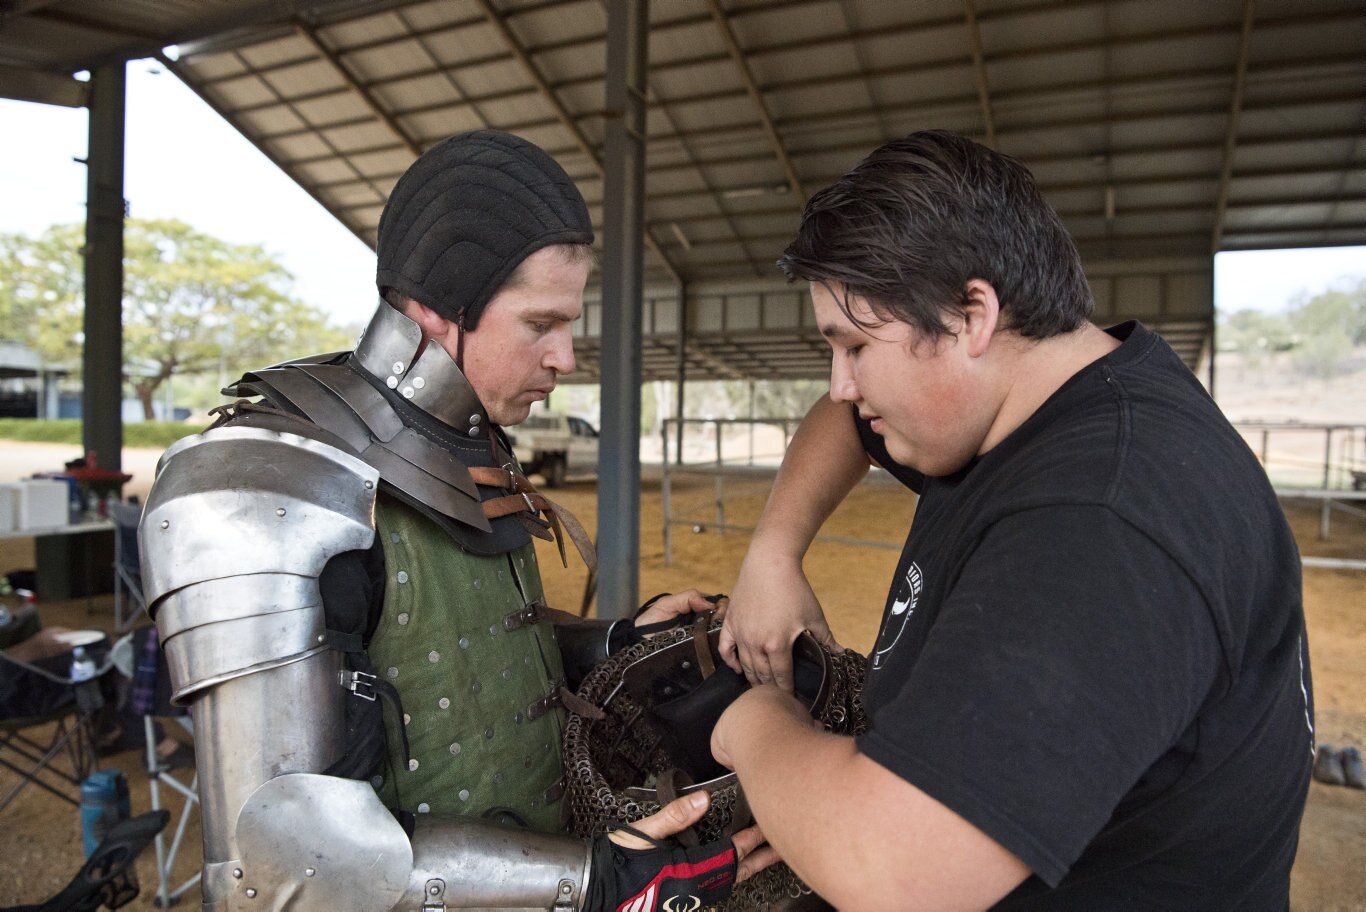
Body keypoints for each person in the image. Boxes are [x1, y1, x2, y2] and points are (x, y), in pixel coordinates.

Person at [139, 130, 772, 912]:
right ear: (440, 313)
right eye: (541, 324)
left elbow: (461, 654)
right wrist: (594, 885)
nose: (567, 358)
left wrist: (613, 643)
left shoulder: (466, 447)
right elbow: (285, 865)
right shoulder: (270, 491)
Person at [712, 130, 1314, 909]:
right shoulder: (1027, 404)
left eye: (856, 346)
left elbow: (895, 870)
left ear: (972, 315)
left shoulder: (1103, 518)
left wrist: (757, 726)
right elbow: (841, 424)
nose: (840, 385)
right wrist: (774, 550)